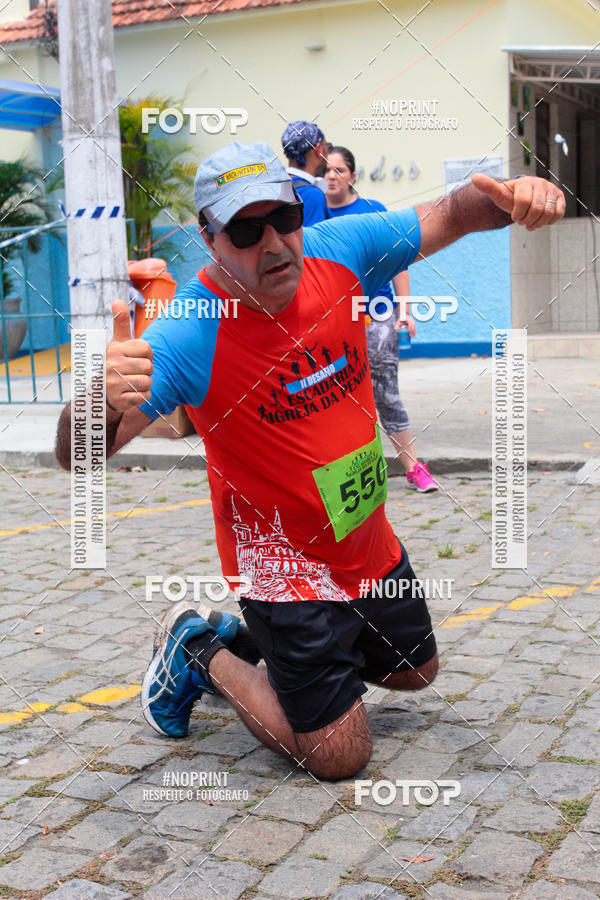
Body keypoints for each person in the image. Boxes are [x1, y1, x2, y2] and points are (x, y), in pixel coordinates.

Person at [55, 140, 564, 781]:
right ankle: (199, 648)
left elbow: (455, 212)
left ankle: (285, 649)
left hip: (362, 533)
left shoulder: (341, 251)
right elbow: (79, 453)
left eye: (284, 218)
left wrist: (519, 195)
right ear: (210, 240)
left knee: (414, 671)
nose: (272, 244)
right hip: (283, 566)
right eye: (244, 229)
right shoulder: (191, 329)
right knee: (338, 756)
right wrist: (98, 402)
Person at [326, 145, 437, 492]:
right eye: (326, 170)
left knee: (385, 392)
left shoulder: (371, 212)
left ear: (353, 176)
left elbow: (398, 264)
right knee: (336, 398)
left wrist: (404, 310)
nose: (331, 176)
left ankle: (413, 467)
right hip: (332, 320)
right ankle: (350, 476)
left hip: (376, 315)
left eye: (339, 170)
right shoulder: (313, 214)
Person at [281, 120, 330, 226]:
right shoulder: (312, 195)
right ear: (318, 150)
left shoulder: (275, 186)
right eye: (326, 148)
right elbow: (314, 241)